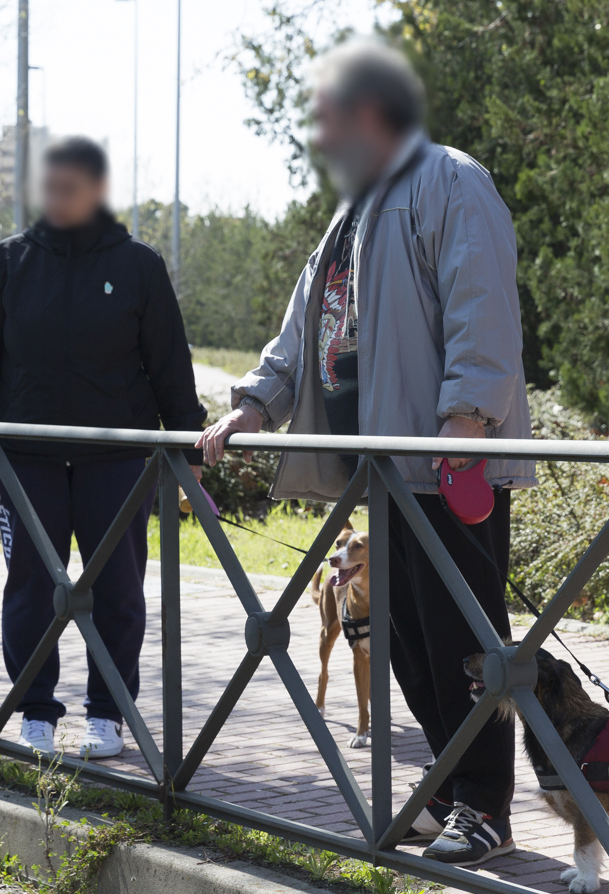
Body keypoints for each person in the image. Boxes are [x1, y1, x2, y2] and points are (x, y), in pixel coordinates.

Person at [197, 41, 536, 865]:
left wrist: (463, 422)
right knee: (402, 638)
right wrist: (251, 406)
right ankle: (452, 788)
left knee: (464, 641)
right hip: (383, 472)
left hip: (446, 464)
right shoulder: (351, 212)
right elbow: (303, 326)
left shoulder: (450, 181)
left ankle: (487, 807)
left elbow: (481, 307)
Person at [0, 137, 205, 760]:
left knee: (118, 590)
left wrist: (188, 454)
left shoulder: (139, 266)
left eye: (69, 188)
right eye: (49, 187)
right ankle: (33, 709)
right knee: (30, 587)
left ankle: (107, 713)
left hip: (116, 463)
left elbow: (171, 363)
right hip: (26, 459)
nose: (56, 199)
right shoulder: (8, 262)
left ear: (96, 192)